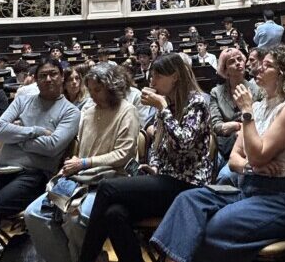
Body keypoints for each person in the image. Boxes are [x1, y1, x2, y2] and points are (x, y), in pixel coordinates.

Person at [150, 45, 285, 262]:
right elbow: (235, 159)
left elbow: (258, 155)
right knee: (188, 200)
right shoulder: (259, 106)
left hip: (282, 197)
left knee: (217, 225)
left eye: (268, 66)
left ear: (284, 72)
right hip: (248, 187)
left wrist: (246, 112)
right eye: (260, 65)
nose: (258, 70)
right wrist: (250, 166)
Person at [78, 54, 212, 262]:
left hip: (188, 184)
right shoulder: (166, 104)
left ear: (174, 76)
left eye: (157, 77)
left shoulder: (196, 103)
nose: (152, 82)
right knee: (114, 214)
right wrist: (154, 166)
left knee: (107, 188)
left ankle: (84, 259)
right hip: (165, 180)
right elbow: (157, 147)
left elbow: (184, 143)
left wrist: (163, 109)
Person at [0, 58, 81, 262]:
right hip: (1, 169)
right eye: (42, 76)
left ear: (62, 77)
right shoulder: (22, 101)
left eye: (53, 74)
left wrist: (17, 137)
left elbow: (52, 146)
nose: (48, 79)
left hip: (34, 175)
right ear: (36, 81)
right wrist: (34, 131)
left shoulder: (71, 112)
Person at [24, 63, 140, 262]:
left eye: (98, 89)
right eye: (91, 89)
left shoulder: (127, 111)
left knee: (75, 217)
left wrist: (85, 163)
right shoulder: (87, 112)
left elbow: (123, 154)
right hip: (81, 178)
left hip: (111, 181)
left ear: (111, 87)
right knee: (34, 213)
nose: (92, 94)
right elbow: (80, 152)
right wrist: (67, 169)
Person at [210, 47, 262, 161]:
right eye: (232, 62)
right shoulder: (216, 92)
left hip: (250, 142)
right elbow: (215, 125)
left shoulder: (257, 90)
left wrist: (237, 128)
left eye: (240, 59)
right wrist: (238, 126)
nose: (238, 63)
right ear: (225, 70)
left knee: (225, 176)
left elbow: (260, 120)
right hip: (225, 145)